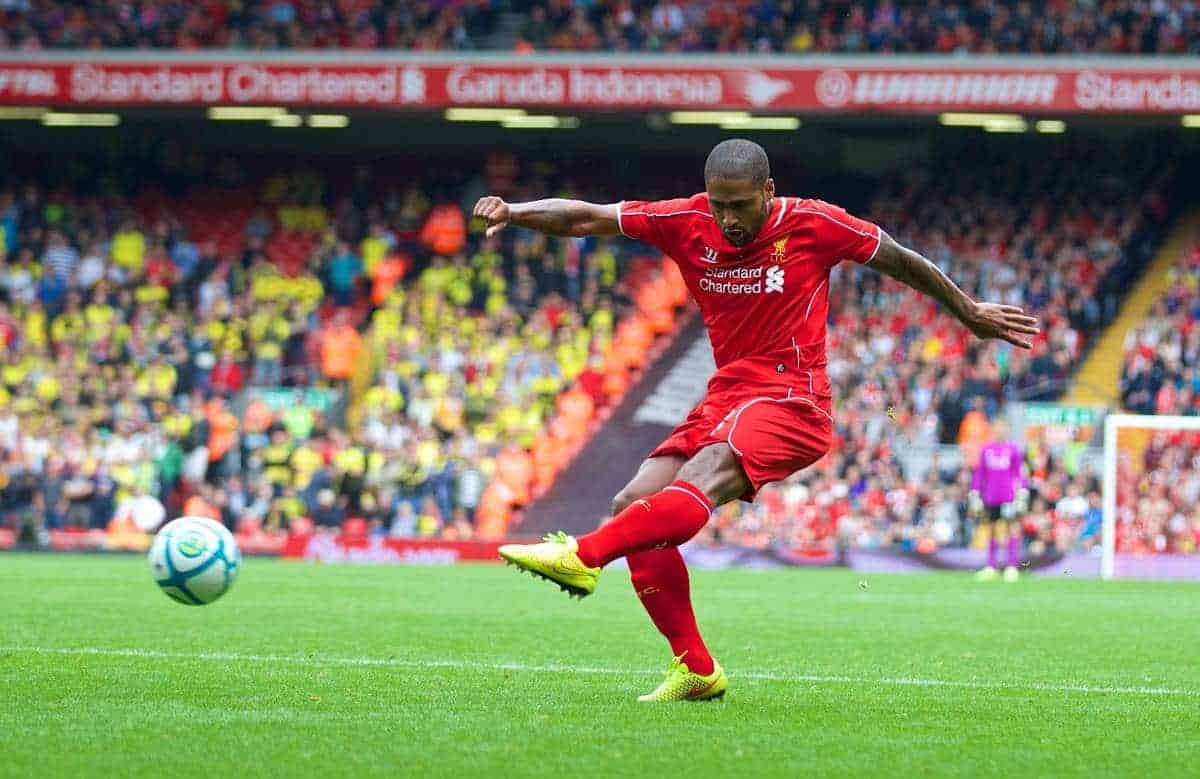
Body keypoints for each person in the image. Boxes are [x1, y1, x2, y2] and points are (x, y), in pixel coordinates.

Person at [477, 139, 1040, 703]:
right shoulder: (685, 220)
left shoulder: (815, 223)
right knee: (634, 506)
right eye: (720, 205)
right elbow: (585, 218)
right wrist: (515, 211)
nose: (728, 219)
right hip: (727, 395)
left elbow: (898, 258)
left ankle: (584, 554)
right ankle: (696, 669)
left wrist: (968, 310)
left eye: (741, 205)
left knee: (703, 474)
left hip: (794, 399)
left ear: (768, 192)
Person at [969, 419, 1028, 583]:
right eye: (997, 428)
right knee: (992, 528)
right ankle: (991, 566)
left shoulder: (1013, 449)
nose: (1000, 431)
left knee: (1012, 527)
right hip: (991, 496)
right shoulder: (986, 449)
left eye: (1003, 428)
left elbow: (1019, 472)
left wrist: (1022, 491)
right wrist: (975, 492)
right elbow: (980, 473)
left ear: (1007, 430)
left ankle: (1012, 566)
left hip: (1008, 496)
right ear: (993, 429)